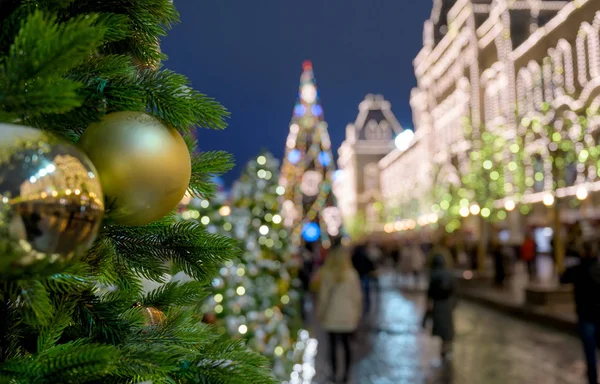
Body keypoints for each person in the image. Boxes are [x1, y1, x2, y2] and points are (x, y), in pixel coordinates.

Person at [316, 238, 363, 384]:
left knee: (333, 346)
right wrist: (357, 314)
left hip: (331, 316)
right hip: (348, 316)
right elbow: (358, 297)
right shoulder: (352, 275)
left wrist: (321, 313)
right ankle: (346, 375)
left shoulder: (327, 274)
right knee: (347, 346)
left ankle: (335, 373)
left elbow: (323, 298)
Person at [560, 237, 600, 384]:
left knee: (590, 353)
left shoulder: (577, 269)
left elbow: (563, 278)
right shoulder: (593, 268)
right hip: (592, 314)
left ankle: (593, 379)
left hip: (586, 315)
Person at [423, 253, 456, 361]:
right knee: (447, 329)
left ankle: (444, 349)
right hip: (446, 304)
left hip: (438, 304)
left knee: (442, 328)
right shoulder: (448, 274)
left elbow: (430, 292)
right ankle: (446, 348)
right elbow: (454, 290)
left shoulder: (434, 275)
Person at [351, 242, 375, 316]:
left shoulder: (354, 256)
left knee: (359, 291)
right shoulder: (365, 256)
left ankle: (361, 306)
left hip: (357, 276)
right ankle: (366, 306)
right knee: (366, 292)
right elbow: (370, 265)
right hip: (364, 276)